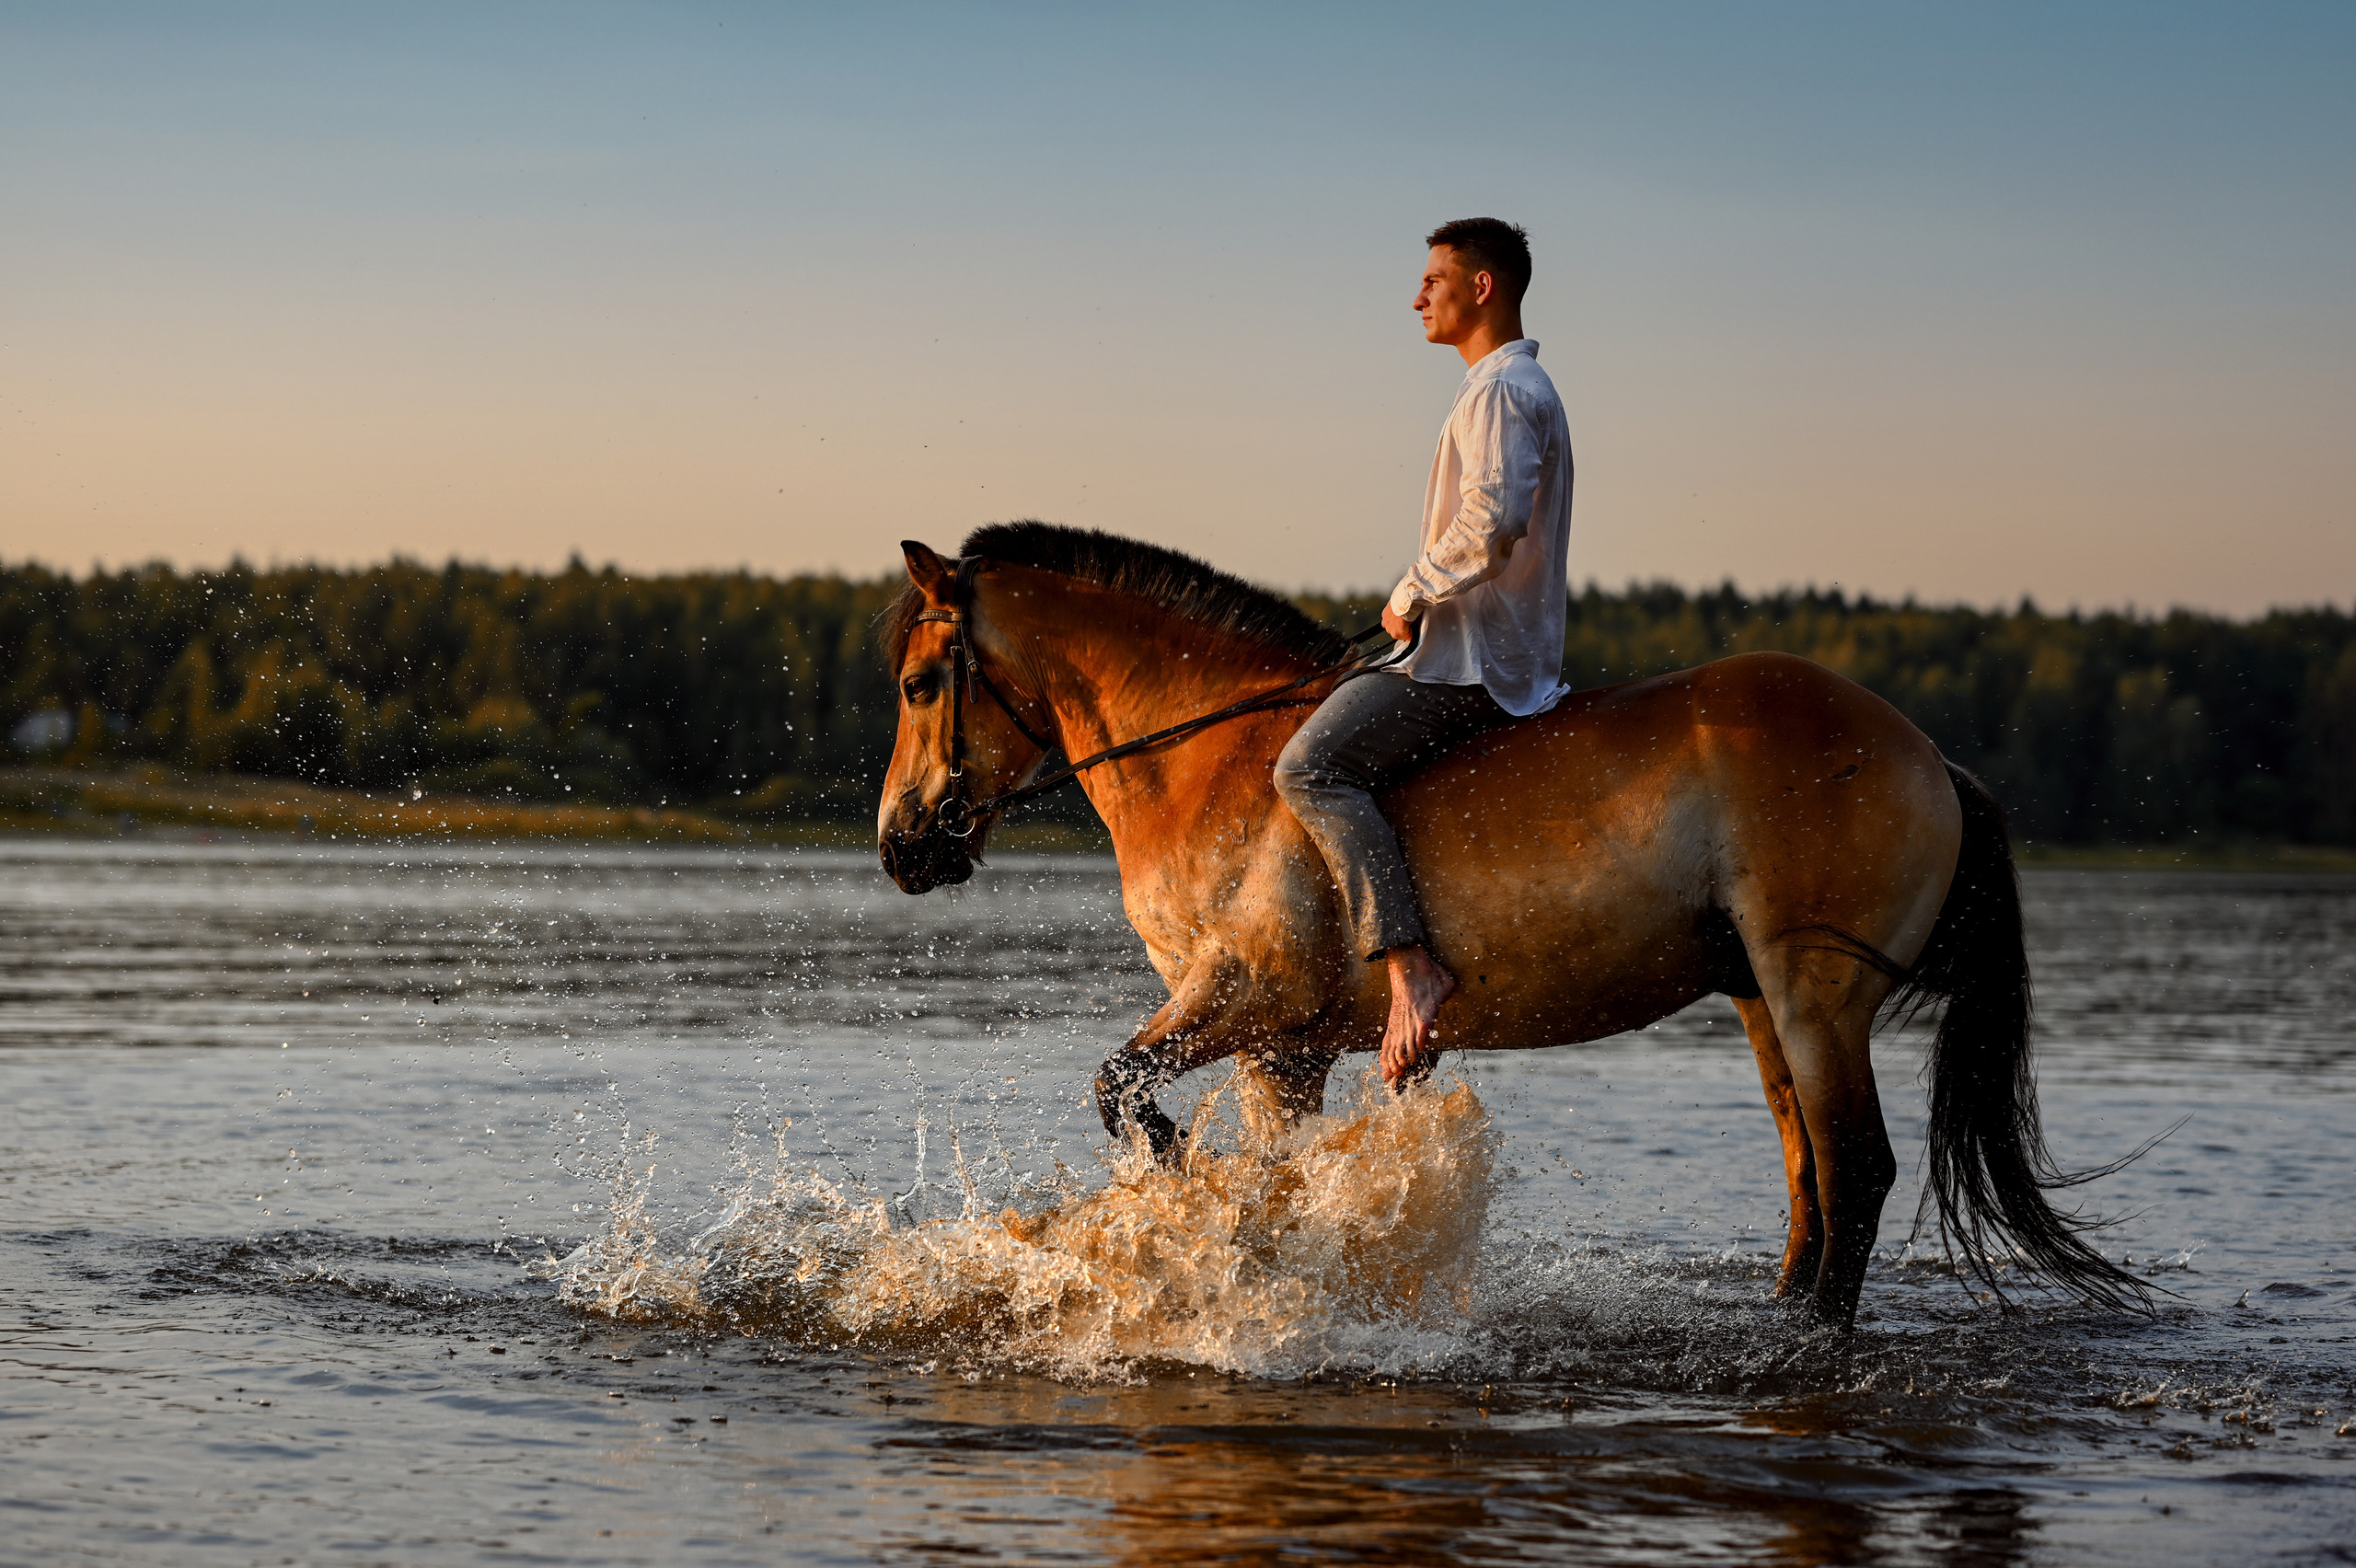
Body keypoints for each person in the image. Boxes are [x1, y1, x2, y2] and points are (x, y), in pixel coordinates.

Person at [1273, 217, 1576, 1086]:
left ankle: (1409, 967)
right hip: (1478, 646)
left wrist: (1410, 591)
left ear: (1482, 287)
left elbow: (1492, 521)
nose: (1417, 298)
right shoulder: (1506, 385)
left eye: (1433, 280)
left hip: (1474, 661)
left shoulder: (1502, 389)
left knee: (1310, 768)